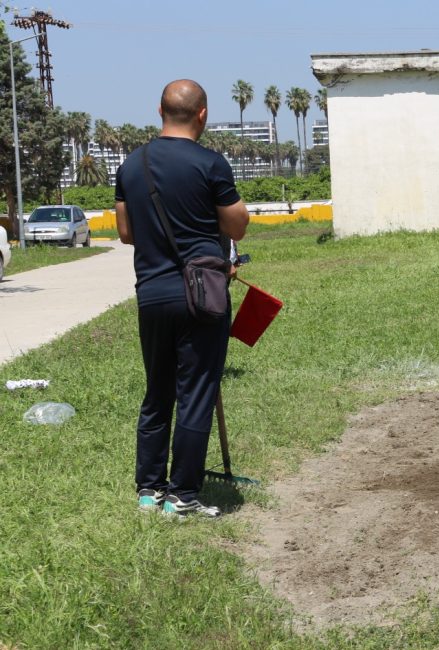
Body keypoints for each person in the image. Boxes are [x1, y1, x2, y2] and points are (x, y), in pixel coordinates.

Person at [115, 79, 249, 517]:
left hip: (151, 293)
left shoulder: (132, 165)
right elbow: (237, 227)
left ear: (159, 110)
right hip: (202, 295)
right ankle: (182, 494)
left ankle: (148, 490)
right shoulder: (211, 164)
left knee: (158, 390)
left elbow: (125, 233)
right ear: (203, 115)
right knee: (196, 391)